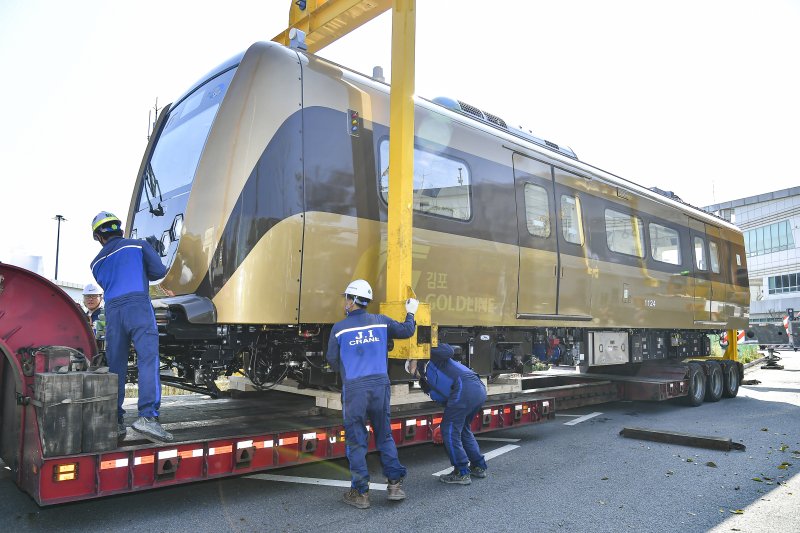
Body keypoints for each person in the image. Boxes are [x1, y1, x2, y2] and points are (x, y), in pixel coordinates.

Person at [326, 279, 418, 509]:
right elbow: (407, 331)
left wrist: (348, 371)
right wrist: (410, 312)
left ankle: (361, 493)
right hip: (380, 386)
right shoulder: (381, 322)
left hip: (355, 389)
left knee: (357, 440)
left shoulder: (339, 329)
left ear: (352, 301)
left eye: (346, 298)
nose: (344, 302)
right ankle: (395, 486)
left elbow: (332, 360)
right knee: (384, 435)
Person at [89, 211, 172, 443]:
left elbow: (111, 279)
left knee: (116, 367)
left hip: (113, 311)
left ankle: (115, 422)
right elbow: (159, 272)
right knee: (148, 360)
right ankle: (147, 417)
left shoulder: (95, 263)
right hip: (138, 305)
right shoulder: (138, 245)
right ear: (120, 229)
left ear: (98, 237)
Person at [414, 343, 488, 485]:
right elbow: (442, 398)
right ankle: (478, 466)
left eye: (410, 367)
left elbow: (448, 350)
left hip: (465, 386)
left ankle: (461, 472)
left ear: (415, 361)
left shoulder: (433, 360)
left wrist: (424, 349)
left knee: (448, 430)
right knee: (463, 429)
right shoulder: (426, 381)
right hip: (476, 389)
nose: (413, 372)